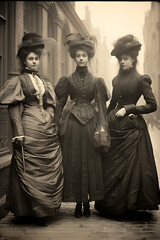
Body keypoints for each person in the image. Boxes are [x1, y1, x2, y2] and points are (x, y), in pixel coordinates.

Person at [0, 33, 64, 226]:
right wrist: (18, 132)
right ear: (24, 60)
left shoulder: (43, 81)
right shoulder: (18, 81)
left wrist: (50, 114)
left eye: (37, 58)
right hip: (28, 126)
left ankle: (44, 209)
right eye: (31, 58)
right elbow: (13, 109)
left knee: (47, 167)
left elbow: (51, 103)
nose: (35, 61)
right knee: (30, 168)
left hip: (45, 128)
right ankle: (30, 211)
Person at [95, 34, 160, 218]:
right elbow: (113, 103)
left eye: (125, 59)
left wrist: (130, 108)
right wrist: (104, 120)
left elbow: (152, 105)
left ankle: (130, 205)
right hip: (116, 128)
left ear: (133, 59)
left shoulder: (142, 80)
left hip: (133, 130)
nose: (122, 62)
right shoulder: (116, 80)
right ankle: (112, 204)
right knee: (112, 166)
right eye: (120, 59)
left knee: (132, 169)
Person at [54, 33, 110, 218]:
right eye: (78, 56)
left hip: (91, 125)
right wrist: (56, 123)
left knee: (91, 163)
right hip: (72, 126)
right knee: (75, 162)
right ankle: (79, 203)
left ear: (88, 57)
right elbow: (60, 103)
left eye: (84, 56)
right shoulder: (67, 80)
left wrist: (103, 128)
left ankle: (88, 202)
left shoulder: (97, 82)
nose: (80, 58)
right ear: (74, 58)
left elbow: (102, 107)